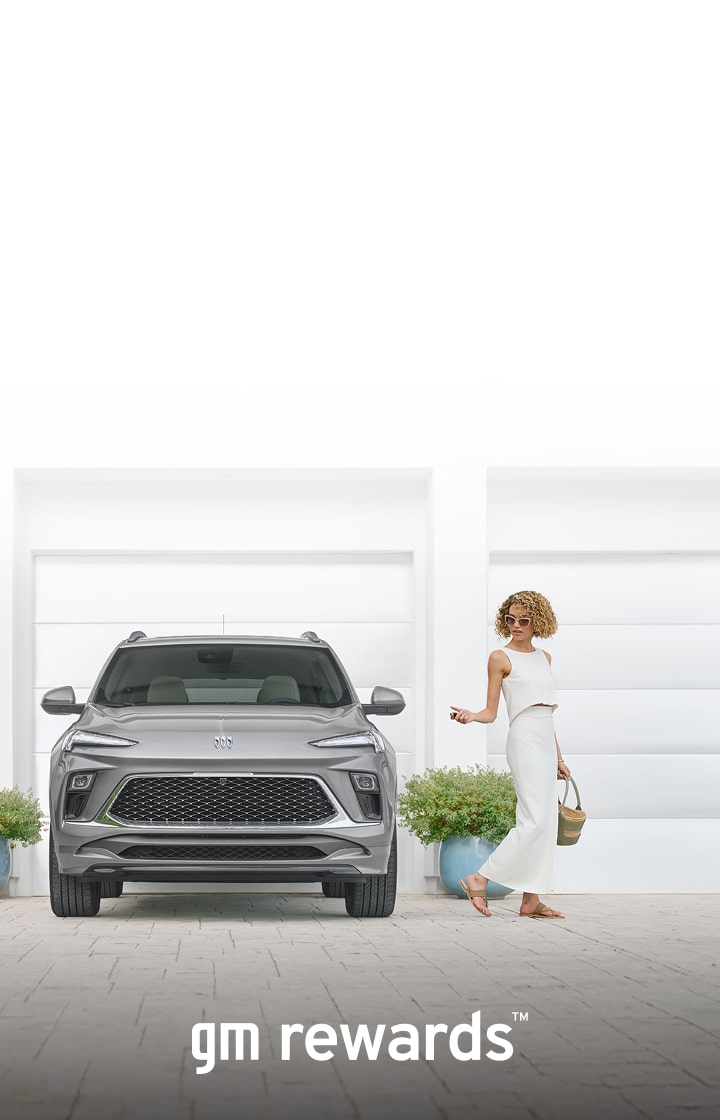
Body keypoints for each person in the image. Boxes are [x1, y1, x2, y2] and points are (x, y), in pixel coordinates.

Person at [450, 590, 571, 919]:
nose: (516, 625)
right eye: (510, 619)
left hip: (545, 739)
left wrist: (559, 758)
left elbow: (547, 712)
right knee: (532, 821)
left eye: (524, 620)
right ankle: (479, 878)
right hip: (525, 739)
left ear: (538, 622)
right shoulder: (500, 657)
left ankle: (532, 899)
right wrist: (471, 715)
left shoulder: (544, 658)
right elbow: (491, 712)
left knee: (545, 821)